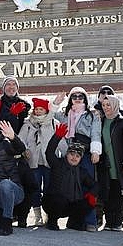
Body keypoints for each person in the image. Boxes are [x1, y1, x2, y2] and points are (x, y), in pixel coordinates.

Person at [52, 87, 102, 231]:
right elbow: (51, 116)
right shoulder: (65, 114)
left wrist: (95, 151)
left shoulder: (92, 115)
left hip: (85, 152)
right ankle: (73, 218)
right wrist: (56, 102)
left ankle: (90, 220)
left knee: (87, 184)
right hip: (69, 152)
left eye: (81, 96)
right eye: (74, 96)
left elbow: (96, 133)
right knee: (66, 184)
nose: (78, 98)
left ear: (85, 98)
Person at [42, 123, 97, 231]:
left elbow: (95, 185)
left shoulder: (82, 172)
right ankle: (52, 221)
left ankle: (73, 223)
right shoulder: (57, 164)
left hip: (69, 205)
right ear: (67, 154)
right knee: (59, 199)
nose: (74, 158)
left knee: (87, 202)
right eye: (72, 154)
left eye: (77, 156)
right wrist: (56, 137)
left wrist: (92, 194)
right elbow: (49, 152)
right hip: (53, 203)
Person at [18, 97, 63, 227]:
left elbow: (61, 140)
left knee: (49, 188)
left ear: (46, 110)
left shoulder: (54, 123)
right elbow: (20, 140)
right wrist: (24, 150)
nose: (38, 112)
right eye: (36, 109)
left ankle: (49, 213)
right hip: (33, 161)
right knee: (35, 188)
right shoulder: (28, 124)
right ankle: (37, 215)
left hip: (49, 161)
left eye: (41, 109)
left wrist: (64, 156)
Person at [96, 95, 123, 231]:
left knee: (118, 193)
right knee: (108, 191)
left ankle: (117, 222)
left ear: (115, 105)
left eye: (108, 105)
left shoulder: (122, 121)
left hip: (119, 161)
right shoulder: (101, 121)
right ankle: (109, 221)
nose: (106, 108)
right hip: (105, 163)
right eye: (104, 105)